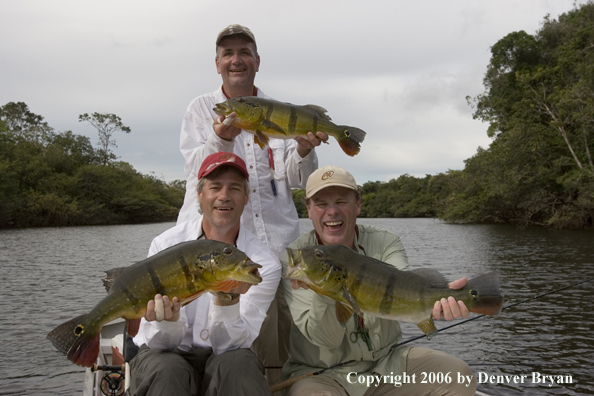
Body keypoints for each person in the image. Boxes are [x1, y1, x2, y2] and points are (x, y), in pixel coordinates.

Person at [176, 24, 327, 383]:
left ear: (257, 61)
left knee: (280, 342)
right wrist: (218, 137)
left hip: (277, 248)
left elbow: (297, 179)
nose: (236, 60)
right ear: (217, 64)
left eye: (244, 52)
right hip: (218, 252)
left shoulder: (276, 111)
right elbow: (196, 170)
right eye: (228, 53)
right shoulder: (201, 109)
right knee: (221, 336)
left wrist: (304, 149)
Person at [280, 165, 478, 396]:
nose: (331, 211)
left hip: (386, 364)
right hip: (322, 374)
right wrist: (326, 292)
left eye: (342, 201)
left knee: (458, 375)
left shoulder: (385, 242)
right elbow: (326, 339)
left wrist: (441, 302)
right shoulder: (298, 259)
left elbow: (406, 288)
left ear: (358, 205)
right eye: (321, 203)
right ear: (309, 209)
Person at [130, 152, 281, 396]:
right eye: (215, 187)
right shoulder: (165, 244)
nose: (224, 196)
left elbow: (233, 346)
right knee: (168, 371)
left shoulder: (262, 263)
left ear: (245, 198)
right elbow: (156, 342)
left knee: (240, 365)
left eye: (234, 188)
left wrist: (227, 299)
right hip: (167, 353)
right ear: (200, 195)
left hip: (224, 357)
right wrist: (167, 322)